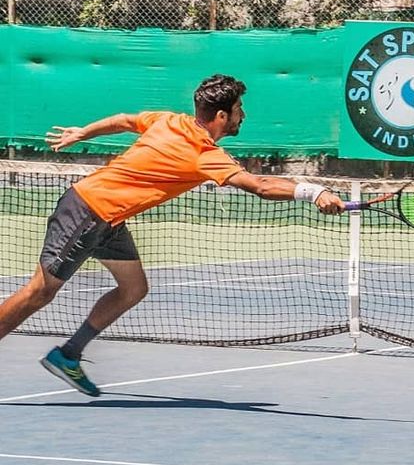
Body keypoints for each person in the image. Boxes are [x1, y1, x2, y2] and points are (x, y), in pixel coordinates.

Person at [0, 74, 344, 397]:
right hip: (88, 211)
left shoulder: (169, 120)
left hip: (110, 219)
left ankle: (68, 355)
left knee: (133, 289)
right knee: (39, 292)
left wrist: (82, 133)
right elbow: (260, 186)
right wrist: (313, 192)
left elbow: (124, 120)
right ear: (222, 116)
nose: (244, 115)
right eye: (239, 109)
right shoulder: (204, 154)